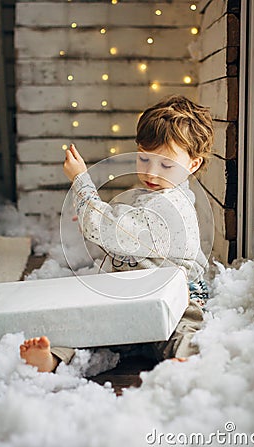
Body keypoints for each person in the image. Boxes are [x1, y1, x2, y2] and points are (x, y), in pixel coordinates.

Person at [20, 95, 214, 373]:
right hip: (133, 295)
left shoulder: (171, 207)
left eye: (166, 165)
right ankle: (55, 358)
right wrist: (103, 221)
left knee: (181, 329)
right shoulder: (162, 195)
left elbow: (108, 226)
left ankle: (188, 362)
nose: (151, 172)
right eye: (144, 158)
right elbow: (125, 230)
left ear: (193, 164)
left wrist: (82, 184)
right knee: (91, 327)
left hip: (176, 296)